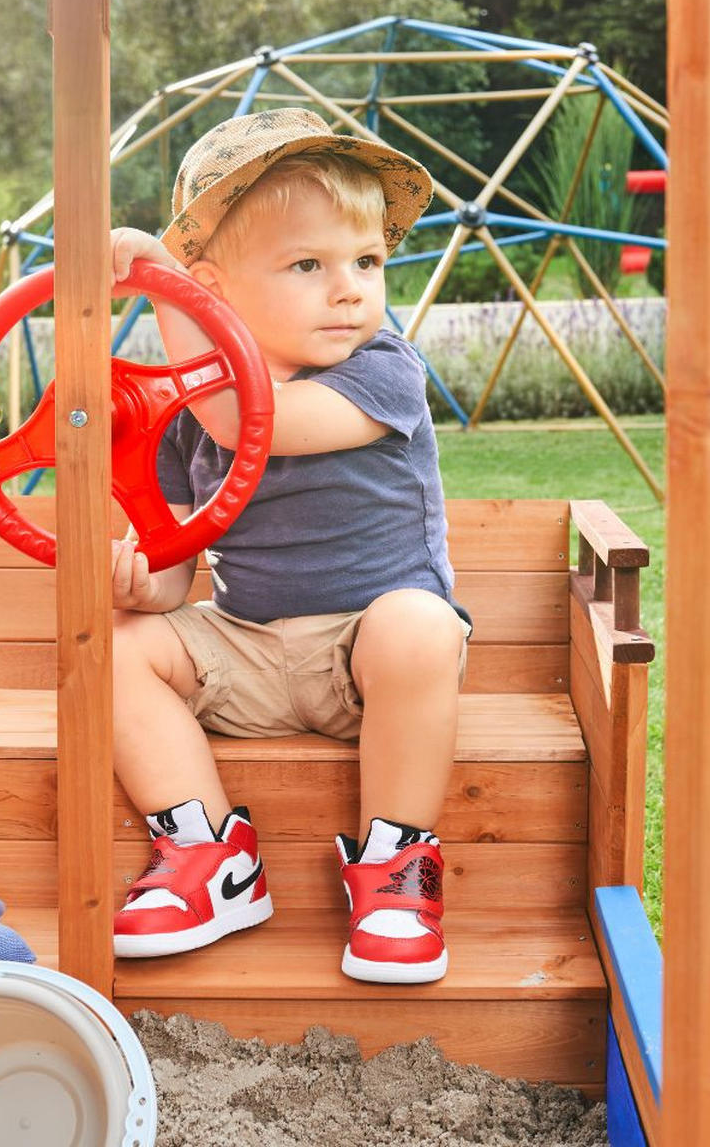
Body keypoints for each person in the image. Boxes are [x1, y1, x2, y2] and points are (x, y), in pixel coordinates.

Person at [108, 107, 470, 984]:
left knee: (422, 625)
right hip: (250, 653)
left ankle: (396, 870)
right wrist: (139, 581)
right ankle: (207, 855)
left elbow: (245, 420)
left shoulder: (383, 370)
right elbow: (178, 570)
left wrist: (160, 284)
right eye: (309, 264)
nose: (350, 288)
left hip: (368, 659)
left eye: (368, 262)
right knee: (115, 651)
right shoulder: (185, 423)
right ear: (217, 288)